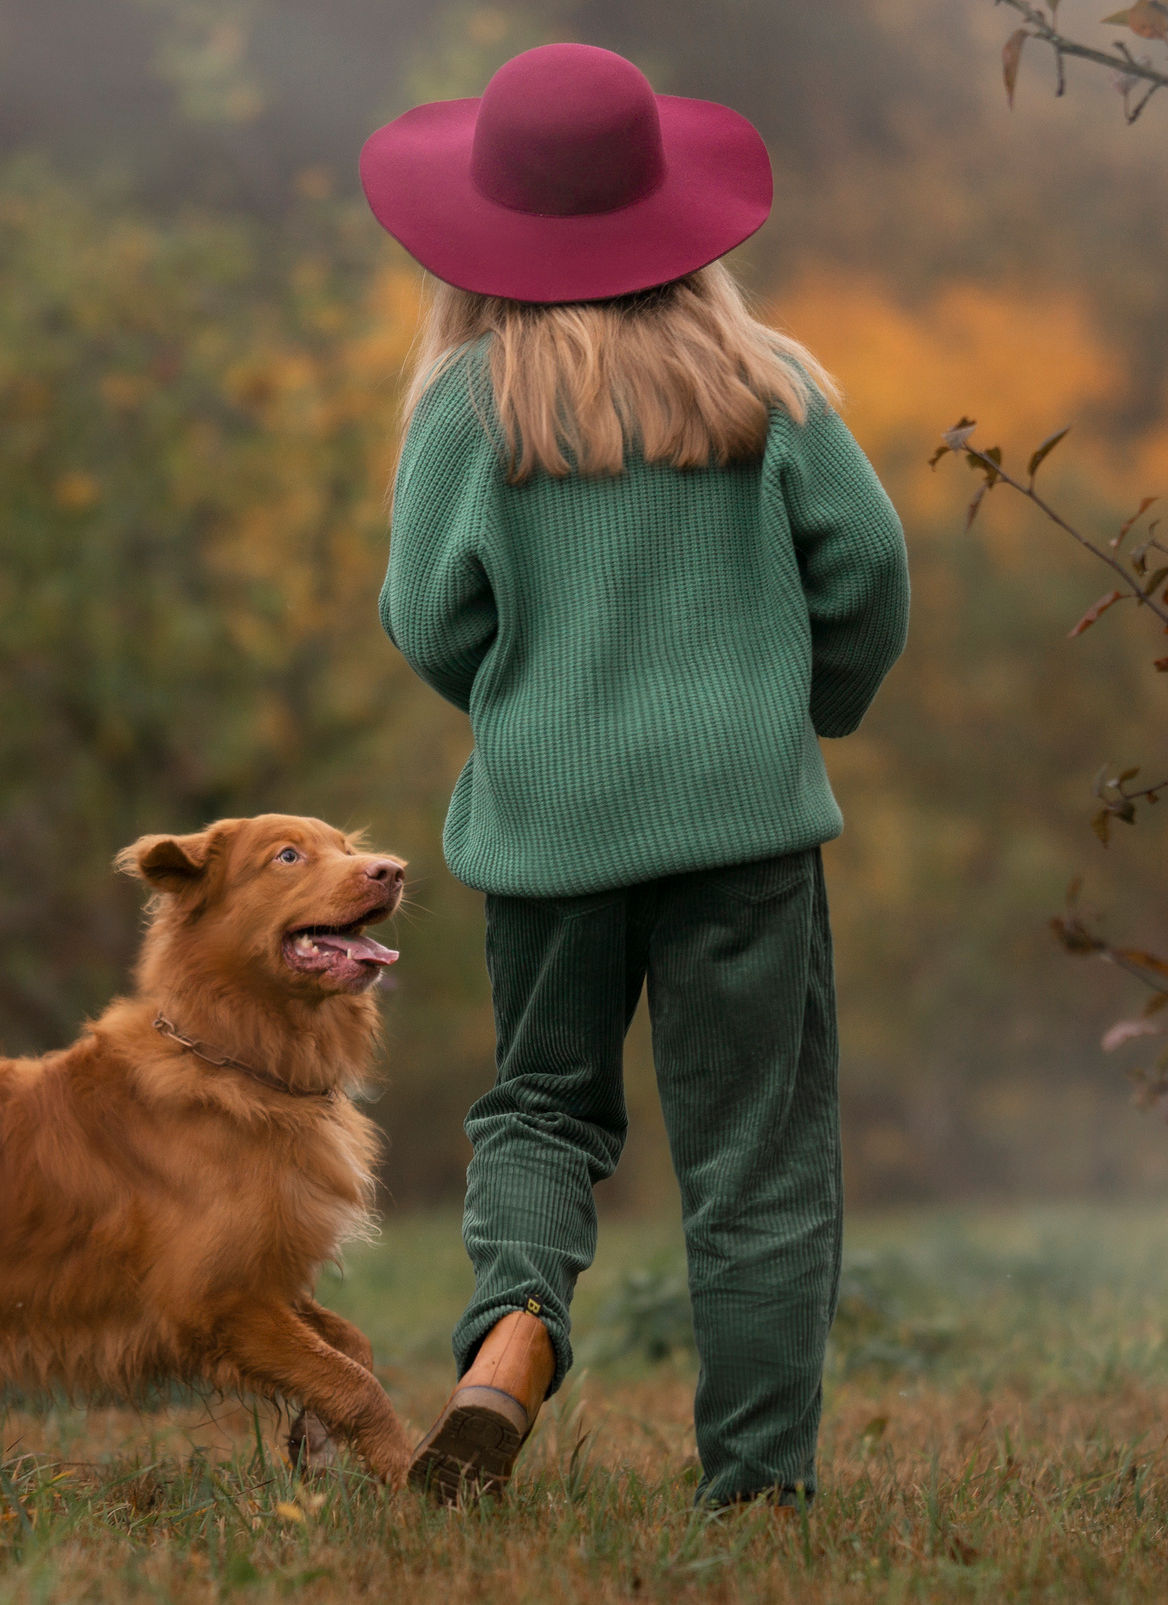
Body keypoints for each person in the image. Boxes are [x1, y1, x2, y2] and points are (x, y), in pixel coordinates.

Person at [360, 42, 910, 1509]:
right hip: (745, 833)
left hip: (551, 833)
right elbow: (868, 573)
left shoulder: (471, 409)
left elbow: (428, 619)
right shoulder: (766, 385)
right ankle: (754, 1491)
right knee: (759, 1159)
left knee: (542, 1109)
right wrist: (803, 708)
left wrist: (529, 703)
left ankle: (511, 1338)